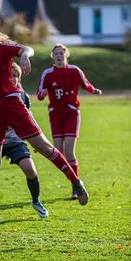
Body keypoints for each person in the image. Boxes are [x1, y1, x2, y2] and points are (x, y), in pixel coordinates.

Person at [0, 21, 89, 235]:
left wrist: (24, 56)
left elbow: (27, 48)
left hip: (13, 105)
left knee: (44, 147)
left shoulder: (4, 50)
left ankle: (76, 182)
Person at [0, 62, 48, 224]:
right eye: (9, 75)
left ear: (19, 78)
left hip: (16, 142)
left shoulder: (23, 96)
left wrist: (36, 141)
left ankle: (36, 201)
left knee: (30, 169)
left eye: (15, 76)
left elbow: (29, 119)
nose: (12, 78)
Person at [37, 43, 102, 199]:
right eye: (56, 53)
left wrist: (94, 91)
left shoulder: (74, 70)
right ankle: (74, 181)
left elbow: (86, 84)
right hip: (55, 115)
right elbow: (39, 95)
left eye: (61, 53)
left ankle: (75, 187)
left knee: (69, 151)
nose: (59, 55)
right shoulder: (48, 73)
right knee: (59, 152)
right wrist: (43, 94)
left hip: (72, 113)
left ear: (66, 55)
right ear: (52, 56)